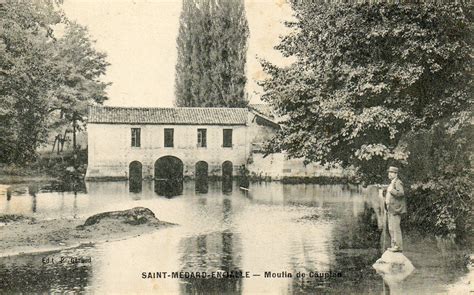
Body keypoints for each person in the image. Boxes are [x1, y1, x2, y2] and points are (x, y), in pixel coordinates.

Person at [384, 166, 406, 252]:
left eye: (391, 172)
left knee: (395, 228)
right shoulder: (392, 182)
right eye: (389, 172)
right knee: (391, 228)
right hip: (391, 209)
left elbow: (401, 193)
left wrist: (391, 190)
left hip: (396, 209)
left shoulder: (398, 182)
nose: (389, 174)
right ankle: (394, 245)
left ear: (396, 174)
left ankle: (398, 246)